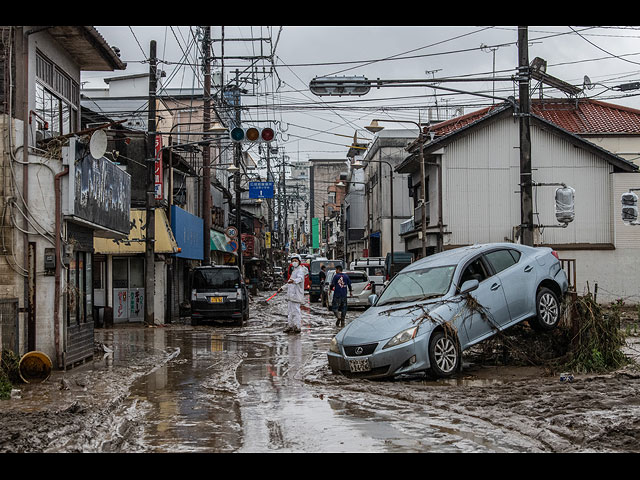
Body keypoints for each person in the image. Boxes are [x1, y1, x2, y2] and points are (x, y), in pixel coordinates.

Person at [283, 254, 308, 334]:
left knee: (296, 312)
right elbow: (289, 282)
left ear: (299, 261)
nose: (294, 262)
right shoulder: (294, 271)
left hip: (296, 295)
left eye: (295, 261)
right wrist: (282, 288)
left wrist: (294, 281)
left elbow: (300, 279)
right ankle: (290, 326)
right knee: (290, 312)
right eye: (293, 261)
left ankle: (297, 327)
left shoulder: (300, 270)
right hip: (291, 296)